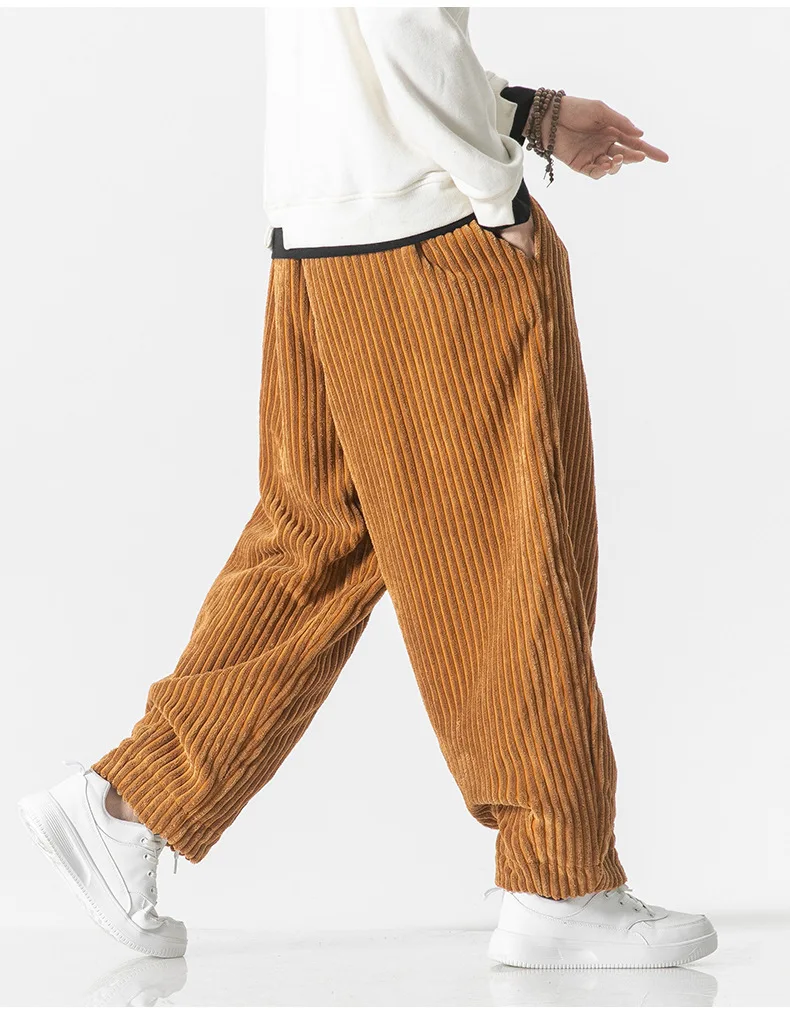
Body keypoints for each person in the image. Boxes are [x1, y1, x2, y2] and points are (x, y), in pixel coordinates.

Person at [19, 7, 717, 969]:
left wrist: (528, 114)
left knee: (320, 540)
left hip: (323, 242)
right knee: (503, 546)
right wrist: (499, 194)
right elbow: (400, 25)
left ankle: (130, 803)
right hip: (427, 247)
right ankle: (559, 880)